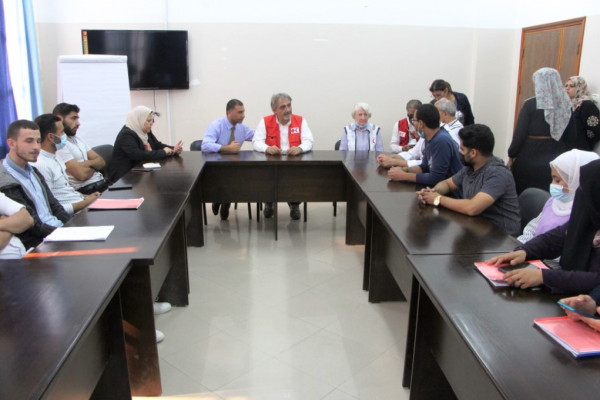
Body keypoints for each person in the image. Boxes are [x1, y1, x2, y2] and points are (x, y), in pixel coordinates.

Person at [486, 159, 600, 293]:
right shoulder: (587, 217)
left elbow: (596, 280)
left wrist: (544, 277)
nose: (581, 195)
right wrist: (525, 251)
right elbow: (557, 237)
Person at [418, 124, 521, 236]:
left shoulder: (498, 174)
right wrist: (433, 191)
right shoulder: (470, 168)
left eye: (462, 149)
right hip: (477, 227)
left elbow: (472, 208)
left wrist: (437, 199)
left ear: (473, 153)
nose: (459, 152)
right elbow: (447, 184)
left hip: (501, 237)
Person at [0, 120, 70, 249]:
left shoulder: (33, 171)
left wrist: (73, 226)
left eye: (38, 141)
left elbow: (55, 206)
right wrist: (66, 234)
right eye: (29, 141)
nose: (36, 147)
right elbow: (33, 226)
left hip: (57, 232)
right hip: (40, 242)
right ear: (11, 143)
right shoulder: (5, 181)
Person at [507, 67, 572, 194]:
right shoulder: (566, 105)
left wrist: (512, 153)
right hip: (557, 158)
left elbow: (520, 134)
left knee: (524, 195)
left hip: (529, 157)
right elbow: (572, 137)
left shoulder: (530, 104)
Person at [253, 93, 314, 220]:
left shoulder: (300, 120)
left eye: (289, 105)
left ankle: (294, 204)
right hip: (272, 162)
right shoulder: (265, 121)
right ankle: (269, 203)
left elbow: (309, 141)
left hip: (293, 162)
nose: (287, 109)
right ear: (274, 109)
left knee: (298, 177)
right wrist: (267, 148)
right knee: (264, 175)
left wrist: (300, 148)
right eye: (283, 107)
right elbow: (256, 142)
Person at [518, 149, 599, 243]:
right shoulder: (553, 201)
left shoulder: (582, 213)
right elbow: (533, 227)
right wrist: (521, 245)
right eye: (552, 178)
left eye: (557, 180)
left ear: (575, 180)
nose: (552, 184)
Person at [32, 114, 101, 216]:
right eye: (62, 132)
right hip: (72, 216)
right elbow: (51, 208)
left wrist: (87, 197)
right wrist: (86, 203)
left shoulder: (56, 157)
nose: (65, 135)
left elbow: (66, 191)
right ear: (51, 137)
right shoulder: (41, 165)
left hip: (81, 205)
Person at [201, 99, 255, 220]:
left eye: (243, 112)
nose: (243, 115)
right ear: (229, 112)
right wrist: (226, 148)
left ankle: (224, 202)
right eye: (240, 112)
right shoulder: (216, 125)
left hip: (233, 167)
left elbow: (257, 136)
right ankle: (220, 200)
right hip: (216, 167)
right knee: (227, 178)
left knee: (237, 176)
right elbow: (205, 145)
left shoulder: (242, 128)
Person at [387, 104, 462, 187]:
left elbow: (436, 178)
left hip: (450, 192)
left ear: (421, 123)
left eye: (414, 120)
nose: (413, 123)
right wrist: (404, 170)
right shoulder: (429, 137)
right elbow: (424, 167)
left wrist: (404, 176)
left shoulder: (441, 140)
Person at [106, 106, 183, 183]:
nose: (151, 123)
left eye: (152, 120)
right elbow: (138, 154)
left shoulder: (144, 131)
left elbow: (157, 145)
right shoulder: (126, 135)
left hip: (139, 172)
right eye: (149, 120)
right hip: (124, 178)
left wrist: (173, 149)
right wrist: (163, 152)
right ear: (139, 120)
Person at [53, 103, 110, 194]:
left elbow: (101, 162)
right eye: (73, 118)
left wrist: (88, 163)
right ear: (60, 118)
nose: (78, 123)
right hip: (87, 191)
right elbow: (82, 175)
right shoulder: (60, 144)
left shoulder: (78, 139)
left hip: (102, 184)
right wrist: (95, 166)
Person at [562, 76, 600, 151]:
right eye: (566, 86)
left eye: (571, 86)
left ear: (580, 88)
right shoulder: (566, 105)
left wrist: (583, 143)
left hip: (580, 149)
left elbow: (596, 129)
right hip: (565, 147)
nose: (567, 88)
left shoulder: (587, 105)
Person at [0, 192, 33, 259]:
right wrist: (10, 225)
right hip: (6, 262)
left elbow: (27, 219)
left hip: (24, 256)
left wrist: (3, 224)